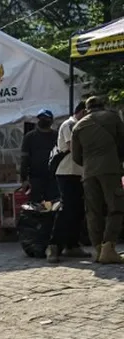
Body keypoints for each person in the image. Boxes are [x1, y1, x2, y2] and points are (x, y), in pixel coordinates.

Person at [72, 96, 124, 264]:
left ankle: (99, 249)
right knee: (115, 207)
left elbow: (76, 156)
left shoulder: (78, 125)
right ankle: (109, 247)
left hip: (88, 173)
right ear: (103, 106)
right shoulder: (112, 117)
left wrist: (89, 163)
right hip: (110, 169)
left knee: (93, 212)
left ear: (86, 109)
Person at [47, 101, 90, 262]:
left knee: (78, 209)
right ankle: (53, 245)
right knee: (67, 208)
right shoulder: (70, 125)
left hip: (78, 173)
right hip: (66, 172)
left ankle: (72, 244)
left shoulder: (81, 126)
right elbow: (75, 148)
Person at [21, 109, 59, 203]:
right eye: (41, 118)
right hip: (35, 178)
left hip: (54, 178)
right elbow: (24, 159)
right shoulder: (29, 137)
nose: (43, 120)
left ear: (51, 120)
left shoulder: (57, 136)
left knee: (54, 205)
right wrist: (24, 179)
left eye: (46, 118)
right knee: (36, 207)